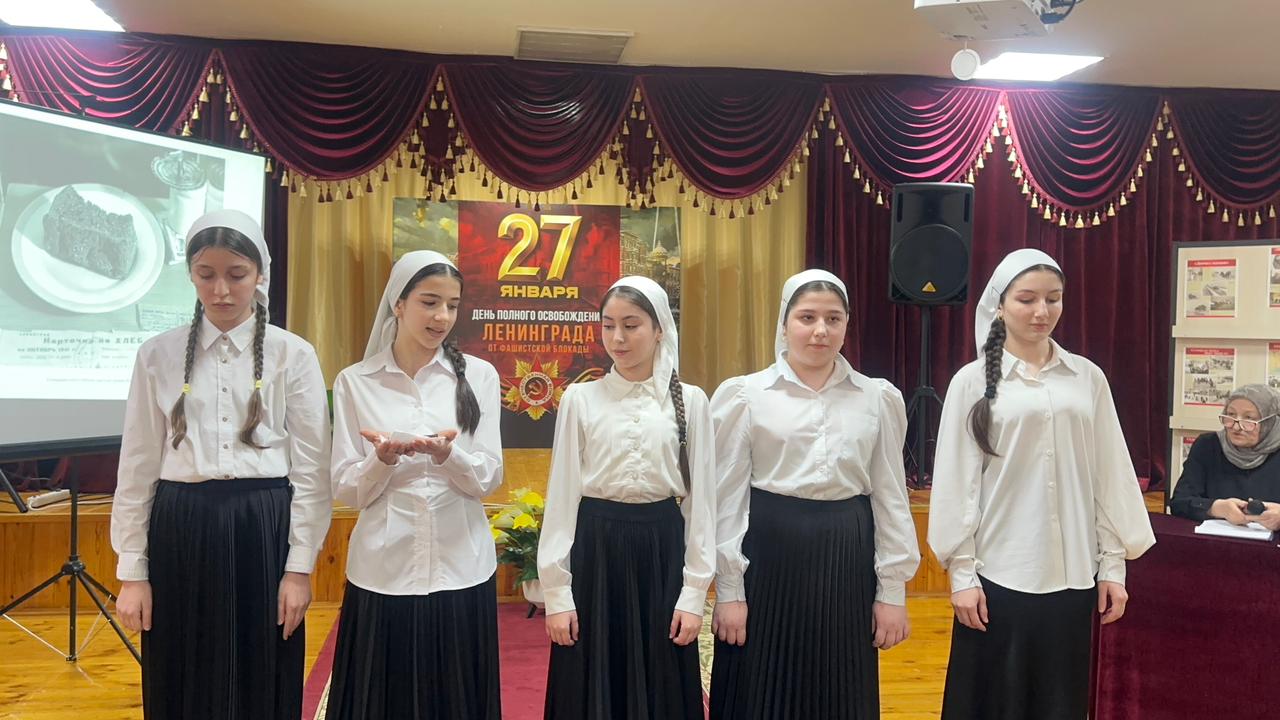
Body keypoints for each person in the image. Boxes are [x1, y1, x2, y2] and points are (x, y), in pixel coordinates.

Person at [111, 209, 332, 719]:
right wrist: (133, 572)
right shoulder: (157, 355)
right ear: (190, 275)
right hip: (181, 526)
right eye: (205, 275)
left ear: (261, 275)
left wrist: (299, 568)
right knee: (182, 669)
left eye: (237, 274)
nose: (221, 290)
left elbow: (311, 471)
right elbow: (138, 466)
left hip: (263, 527)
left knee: (263, 668)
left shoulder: (293, 354)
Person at [928, 248, 1155, 720]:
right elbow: (957, 483)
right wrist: (962, 574)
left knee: (1059, 702)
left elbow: (1109, 473)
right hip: (998, 573)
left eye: (1053, 299)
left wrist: (1113, 565)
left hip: (1073, 575)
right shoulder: (972, 383)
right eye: (1027, 299)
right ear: (1000, 305)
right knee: (992, 701)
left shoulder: (1087, 377)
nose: (1041, 311)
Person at [708, 269, 920, 720]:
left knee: (838, 687)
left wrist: (892, 592)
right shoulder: (746, 396)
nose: (820, 330)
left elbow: (889, 496)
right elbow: (727, 499)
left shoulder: (877, 398)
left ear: (846, 325)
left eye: (833, 318)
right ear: (784, 324)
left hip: (846, 559)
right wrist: (729, 590)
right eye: (807, 317)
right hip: (768, 557)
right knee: (759, 687)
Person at [325, 250, 504, 719]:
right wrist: (380, 461)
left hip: (461, 566)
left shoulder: (480, 377)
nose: (441, 316)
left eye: (452, 305)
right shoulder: (355, 382)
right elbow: (346, 489)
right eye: (429, 302)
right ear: (398, 304)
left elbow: (489, 477)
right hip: (384, 570)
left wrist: (448, 455)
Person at [538, 276, 715, 720]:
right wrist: (556, 593)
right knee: (590, 678)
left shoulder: (691, 401)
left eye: (631, 325)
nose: (617, 338)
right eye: (608, 325)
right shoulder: (580, 398)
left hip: (661, 551)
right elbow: (561, 498)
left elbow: (701, 505)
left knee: (661, 678)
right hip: (595, 552)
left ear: (659, 330)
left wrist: (694, 593)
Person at [1170, 383, 1280, 530]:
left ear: (1270, 422)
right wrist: (1216, 508)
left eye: (1248, 419)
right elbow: (1179, 502)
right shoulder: (1208, 445)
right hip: (1215, 540)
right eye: (1230, 415)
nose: (1236, 427)